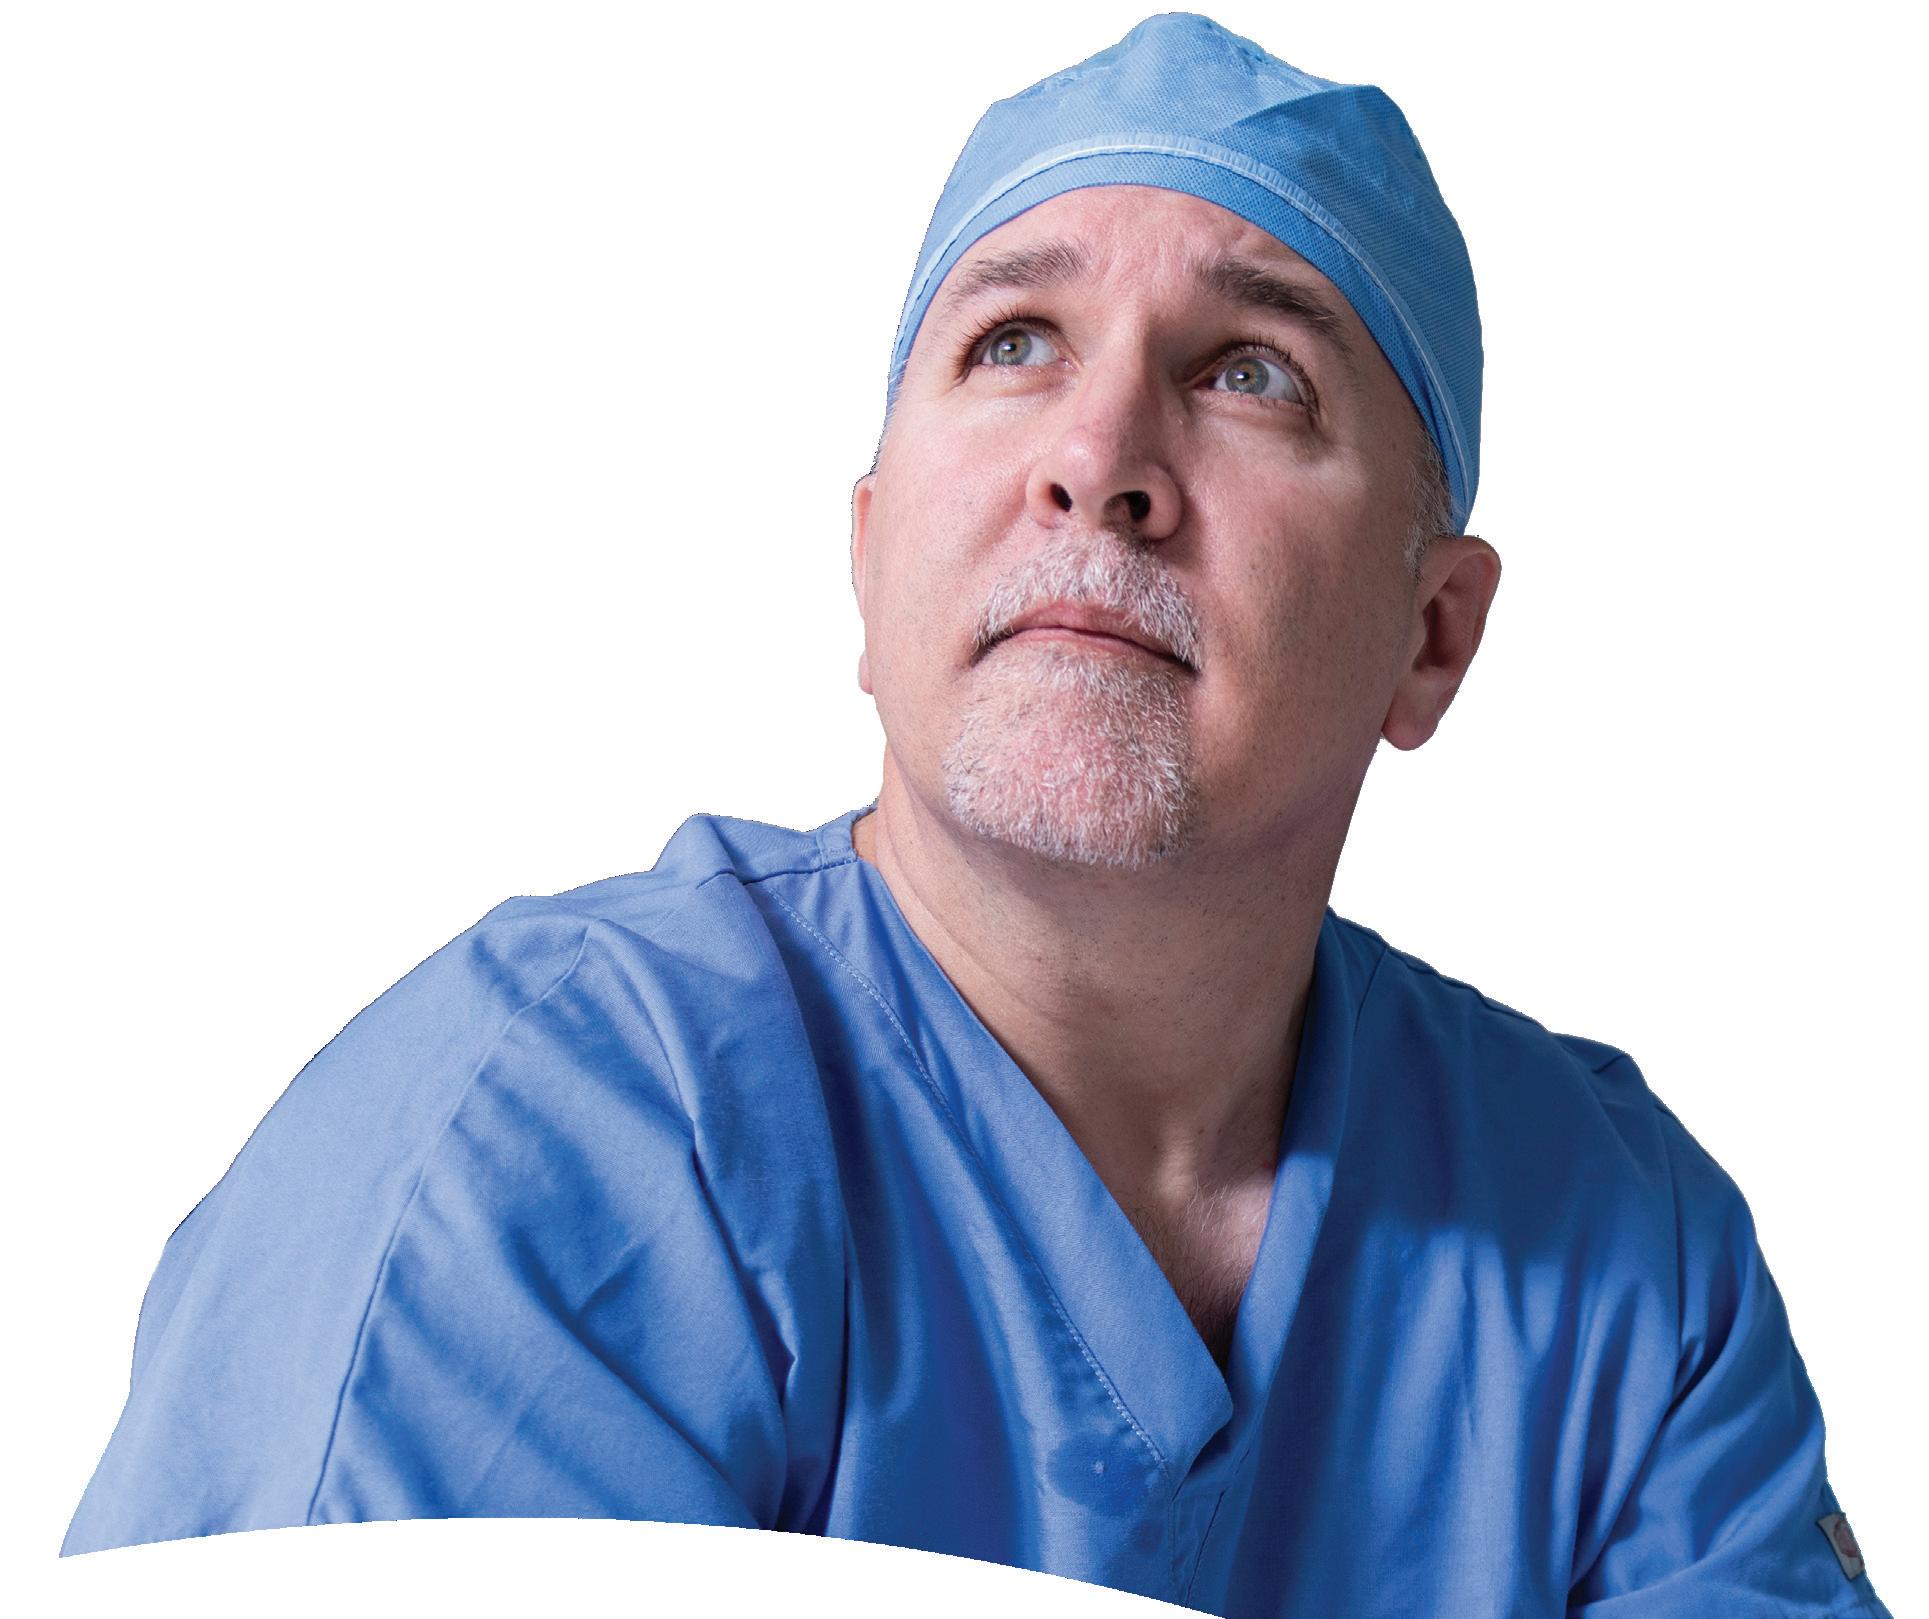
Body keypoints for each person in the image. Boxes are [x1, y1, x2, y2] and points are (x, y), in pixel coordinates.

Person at [62, 13, 1891, 1616]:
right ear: (869, 560)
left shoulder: (1620, 1256)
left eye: (1250, 373)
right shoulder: (553, 1140)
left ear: (1432, 637)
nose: (1096, 460)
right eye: (1014, 341)